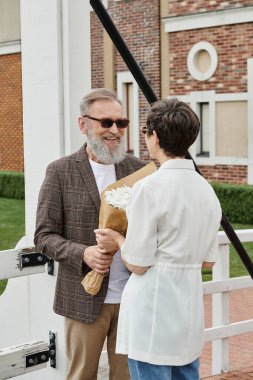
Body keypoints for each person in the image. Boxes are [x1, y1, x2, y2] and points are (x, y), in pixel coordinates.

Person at [95, 98, 222, 380]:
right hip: (188, 310)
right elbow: (209, 263)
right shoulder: (207, 191)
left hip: (152, 311)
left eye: (145, 131)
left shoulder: (148, 188)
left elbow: (138, 264)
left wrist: (117, 238)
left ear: (154, 136)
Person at [34, 88, 145, 380]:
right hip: (82, 299)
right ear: (84, 124)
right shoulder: (60, 171)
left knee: (128, 376)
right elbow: (44, 235)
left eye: (121, 123)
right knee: (82, 375)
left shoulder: (140, 171)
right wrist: (83, 253)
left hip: (133, 298)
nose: (114, 130)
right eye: (105, 122)